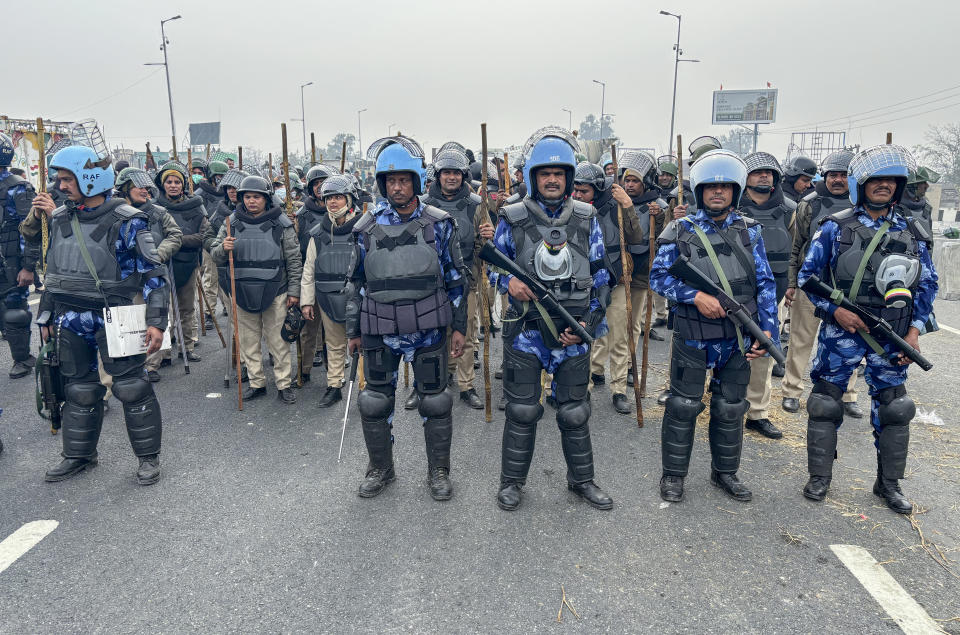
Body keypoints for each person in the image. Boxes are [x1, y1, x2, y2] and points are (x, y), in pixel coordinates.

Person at [797, 144, 937, 514]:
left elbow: (928, 285)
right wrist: (834, 311)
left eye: (892, 180)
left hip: (891, 334)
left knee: (895, 408)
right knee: (825, 403)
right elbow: (808, 277)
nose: (884, 186)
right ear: (862, 183)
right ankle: (820, 477)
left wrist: (915, 331)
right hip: (842, 332)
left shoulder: (913, 231)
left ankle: (888, 484)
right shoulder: (835, 226)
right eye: (877, 179)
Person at [23, 145, 169, 485]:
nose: (60, 186)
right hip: (70, 318)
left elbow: (153, 275)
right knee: (79, 390)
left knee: (132, 388)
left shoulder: (129, 220)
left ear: (89, 178)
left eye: (66, 179)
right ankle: (79, 455)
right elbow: (55, 274)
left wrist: (156, 322)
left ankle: (148, 459)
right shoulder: (59, 220)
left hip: (117, 316)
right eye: (59, 179)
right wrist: (45, 318)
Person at [493, 127, 613, 512]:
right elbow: (495, 266)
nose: (551, 180)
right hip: (526, 330)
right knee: (523, 410)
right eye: (544, 173)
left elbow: (602, 277)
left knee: (575, 411)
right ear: (532, 177)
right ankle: (511, 483)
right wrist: (508, 281)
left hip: (572, 331)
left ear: (569, 178)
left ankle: (582, 480)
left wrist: (588, 329)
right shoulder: (511, 217)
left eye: (558, 174)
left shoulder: (587, 217)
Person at [650, 149, 779, 503]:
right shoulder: (679, 230)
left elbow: (766, 283)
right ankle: (673, 476)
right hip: (694, 333)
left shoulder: (750, 231)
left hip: (738, 334)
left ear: (735, 191)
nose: (718, 192)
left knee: (731, 406)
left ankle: (726, 473)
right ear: (700, 192)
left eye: (724, 187)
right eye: (711, 187)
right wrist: (694, 297)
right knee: (683, 406)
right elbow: (658, 278)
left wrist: (768, 331)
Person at [345, 135, 467, 501]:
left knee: (435, 401)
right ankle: (381, 468)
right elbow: (355, 283)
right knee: (375, 402)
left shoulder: (440, 224)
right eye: (390, 181)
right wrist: (353, 330)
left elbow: (457, 279)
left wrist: (458, 328)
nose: (397, 187)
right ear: (382, 184)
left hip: (428, 327)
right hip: (380, 328)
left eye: (403, 181)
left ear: (416, 182)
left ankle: (439, 471)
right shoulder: (364, 228)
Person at [782, 150, 862, 417]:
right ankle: (792, 391)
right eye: (833, 175)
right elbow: (797, 248)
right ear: (825, 177)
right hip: (812, 284)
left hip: (846, 289)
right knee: (801, 340)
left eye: (843, 175)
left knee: (850, 340)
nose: (838, 180)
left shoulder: (861, 204)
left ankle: (849, 395)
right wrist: (792, 284)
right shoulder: (809, 204)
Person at [210, 176, 302, 403]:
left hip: (276, 289)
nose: (252, 201)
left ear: (266, 198)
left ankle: (283, 384)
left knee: (278, 342)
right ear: (242, 198)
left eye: (256, 197)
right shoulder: (231, 221)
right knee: (248, 341)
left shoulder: (281, 223)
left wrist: (294, 292)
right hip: (242, 288)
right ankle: (256, 382)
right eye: (248, 197)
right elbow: (215, 255)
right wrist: (223, 247)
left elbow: (293, 260)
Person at [417, 146, 495, 410]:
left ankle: (466, 385)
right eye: (446, 173)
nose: (451, 178)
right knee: (430, 335)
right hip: (430, 283)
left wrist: (488, 236)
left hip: (465, 281)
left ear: (463, 176)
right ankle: (426, 384)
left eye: (456, 173)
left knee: (467, 333)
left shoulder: (476, 205)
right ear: (438, 175)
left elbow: (483, 246)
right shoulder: (423, 205)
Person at [573, 162, 645, 415]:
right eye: (576, 190)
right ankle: (584, 386)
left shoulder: (616, 207)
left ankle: (619, 390)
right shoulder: (572, 210)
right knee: (584, 336)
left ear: (598, 189)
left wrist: (628, 206)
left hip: (614, 282)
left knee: (619, 337)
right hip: (582, 284)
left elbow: (636, 238)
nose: (578, 195)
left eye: (584, 191)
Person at [737, 152, 795, 439]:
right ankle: (726, 405)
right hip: (734, 293)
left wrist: (793, 285)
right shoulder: (731, 207)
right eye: (757, 172)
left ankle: (757, 413)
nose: (764, 176)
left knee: (764, 355)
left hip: (774, 296)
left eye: (769, 172)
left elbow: (795, 250)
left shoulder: (789, 210)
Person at [113, 168, 183, 383]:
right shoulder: (113, 212)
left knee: (156, 317)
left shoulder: (158, 212)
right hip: (124, 276)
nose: (145, 191)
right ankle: (131, 364)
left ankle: (152, 364)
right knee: (127, 322)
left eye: (146, 187)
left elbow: (175, 235)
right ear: (126, 188)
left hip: (152, 274)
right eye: (139, 187)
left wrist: (156, 254)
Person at [300, 175, 360, 408]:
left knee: (361, 344)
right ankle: (334, 386)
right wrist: (307, 302)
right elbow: (309, 270)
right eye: (328, 198)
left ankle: (364, 389)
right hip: (327, 296)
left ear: (349, 199)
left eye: (337, 197)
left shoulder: (363, 228)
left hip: (357, 297)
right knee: (334, 345)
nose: (333, 202)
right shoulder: (318, 233)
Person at [149, 161, 213, 372]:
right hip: (162, 264)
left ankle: (188, 346)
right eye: (169, 181)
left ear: (183, 184)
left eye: (177, 181)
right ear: (163, 184)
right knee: (163, 311)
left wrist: (176, 241)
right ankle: (164, 351)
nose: (173, 185)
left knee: (186, 308)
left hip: (187, 263)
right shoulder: (154, 207)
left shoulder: (196, 205)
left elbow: (203, 236)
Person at [296, 164, 341, 382]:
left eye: (324, 183)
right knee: (309, 329)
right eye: (316, 184)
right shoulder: (302, 214)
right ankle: (303, 369)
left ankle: (335, 371)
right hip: (311, 273)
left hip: (335, 280)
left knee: (334, 331)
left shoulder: (344, 215)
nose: (319, 187)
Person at [619, 151, 666, 355]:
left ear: (645, 182)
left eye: (634, 181)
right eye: (627, 180)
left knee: (634, 321)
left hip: (641, 269)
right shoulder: (618, 202)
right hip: (619, 268)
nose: (629, 185)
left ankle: (630, 364)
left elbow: (664, 238)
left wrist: (662, 217)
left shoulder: (658, 206)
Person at [0, 132, 39, 378]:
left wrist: (29, 267)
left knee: (14, 311)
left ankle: (22, 359)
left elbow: (32, 231)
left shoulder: (18, 187)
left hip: (12, 262)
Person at [900, 166, 939, 237]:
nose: (927, 186)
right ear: (912, 185)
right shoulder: (893, 208)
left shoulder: (926, 207)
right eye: (923, 182)